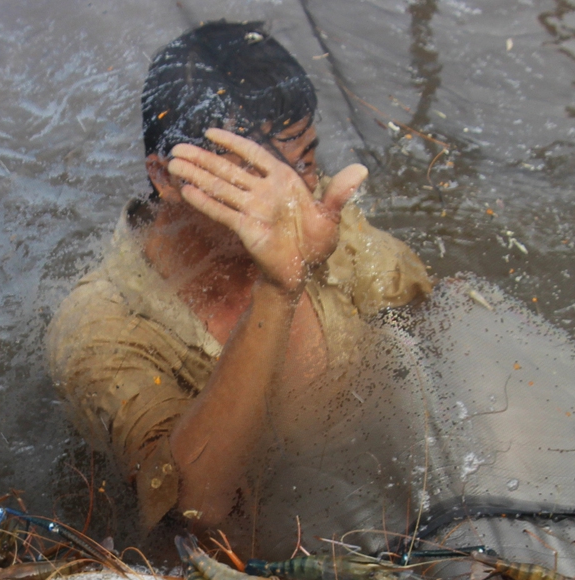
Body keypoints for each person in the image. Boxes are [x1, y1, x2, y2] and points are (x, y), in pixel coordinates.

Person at [47, 20, 432, 545]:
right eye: (253, 176)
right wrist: (280, 286)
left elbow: (436, 331)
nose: (291, 200)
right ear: (167, 177)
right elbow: (195, 510)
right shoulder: (102, 326)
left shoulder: (332, 229)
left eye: (305, 162)